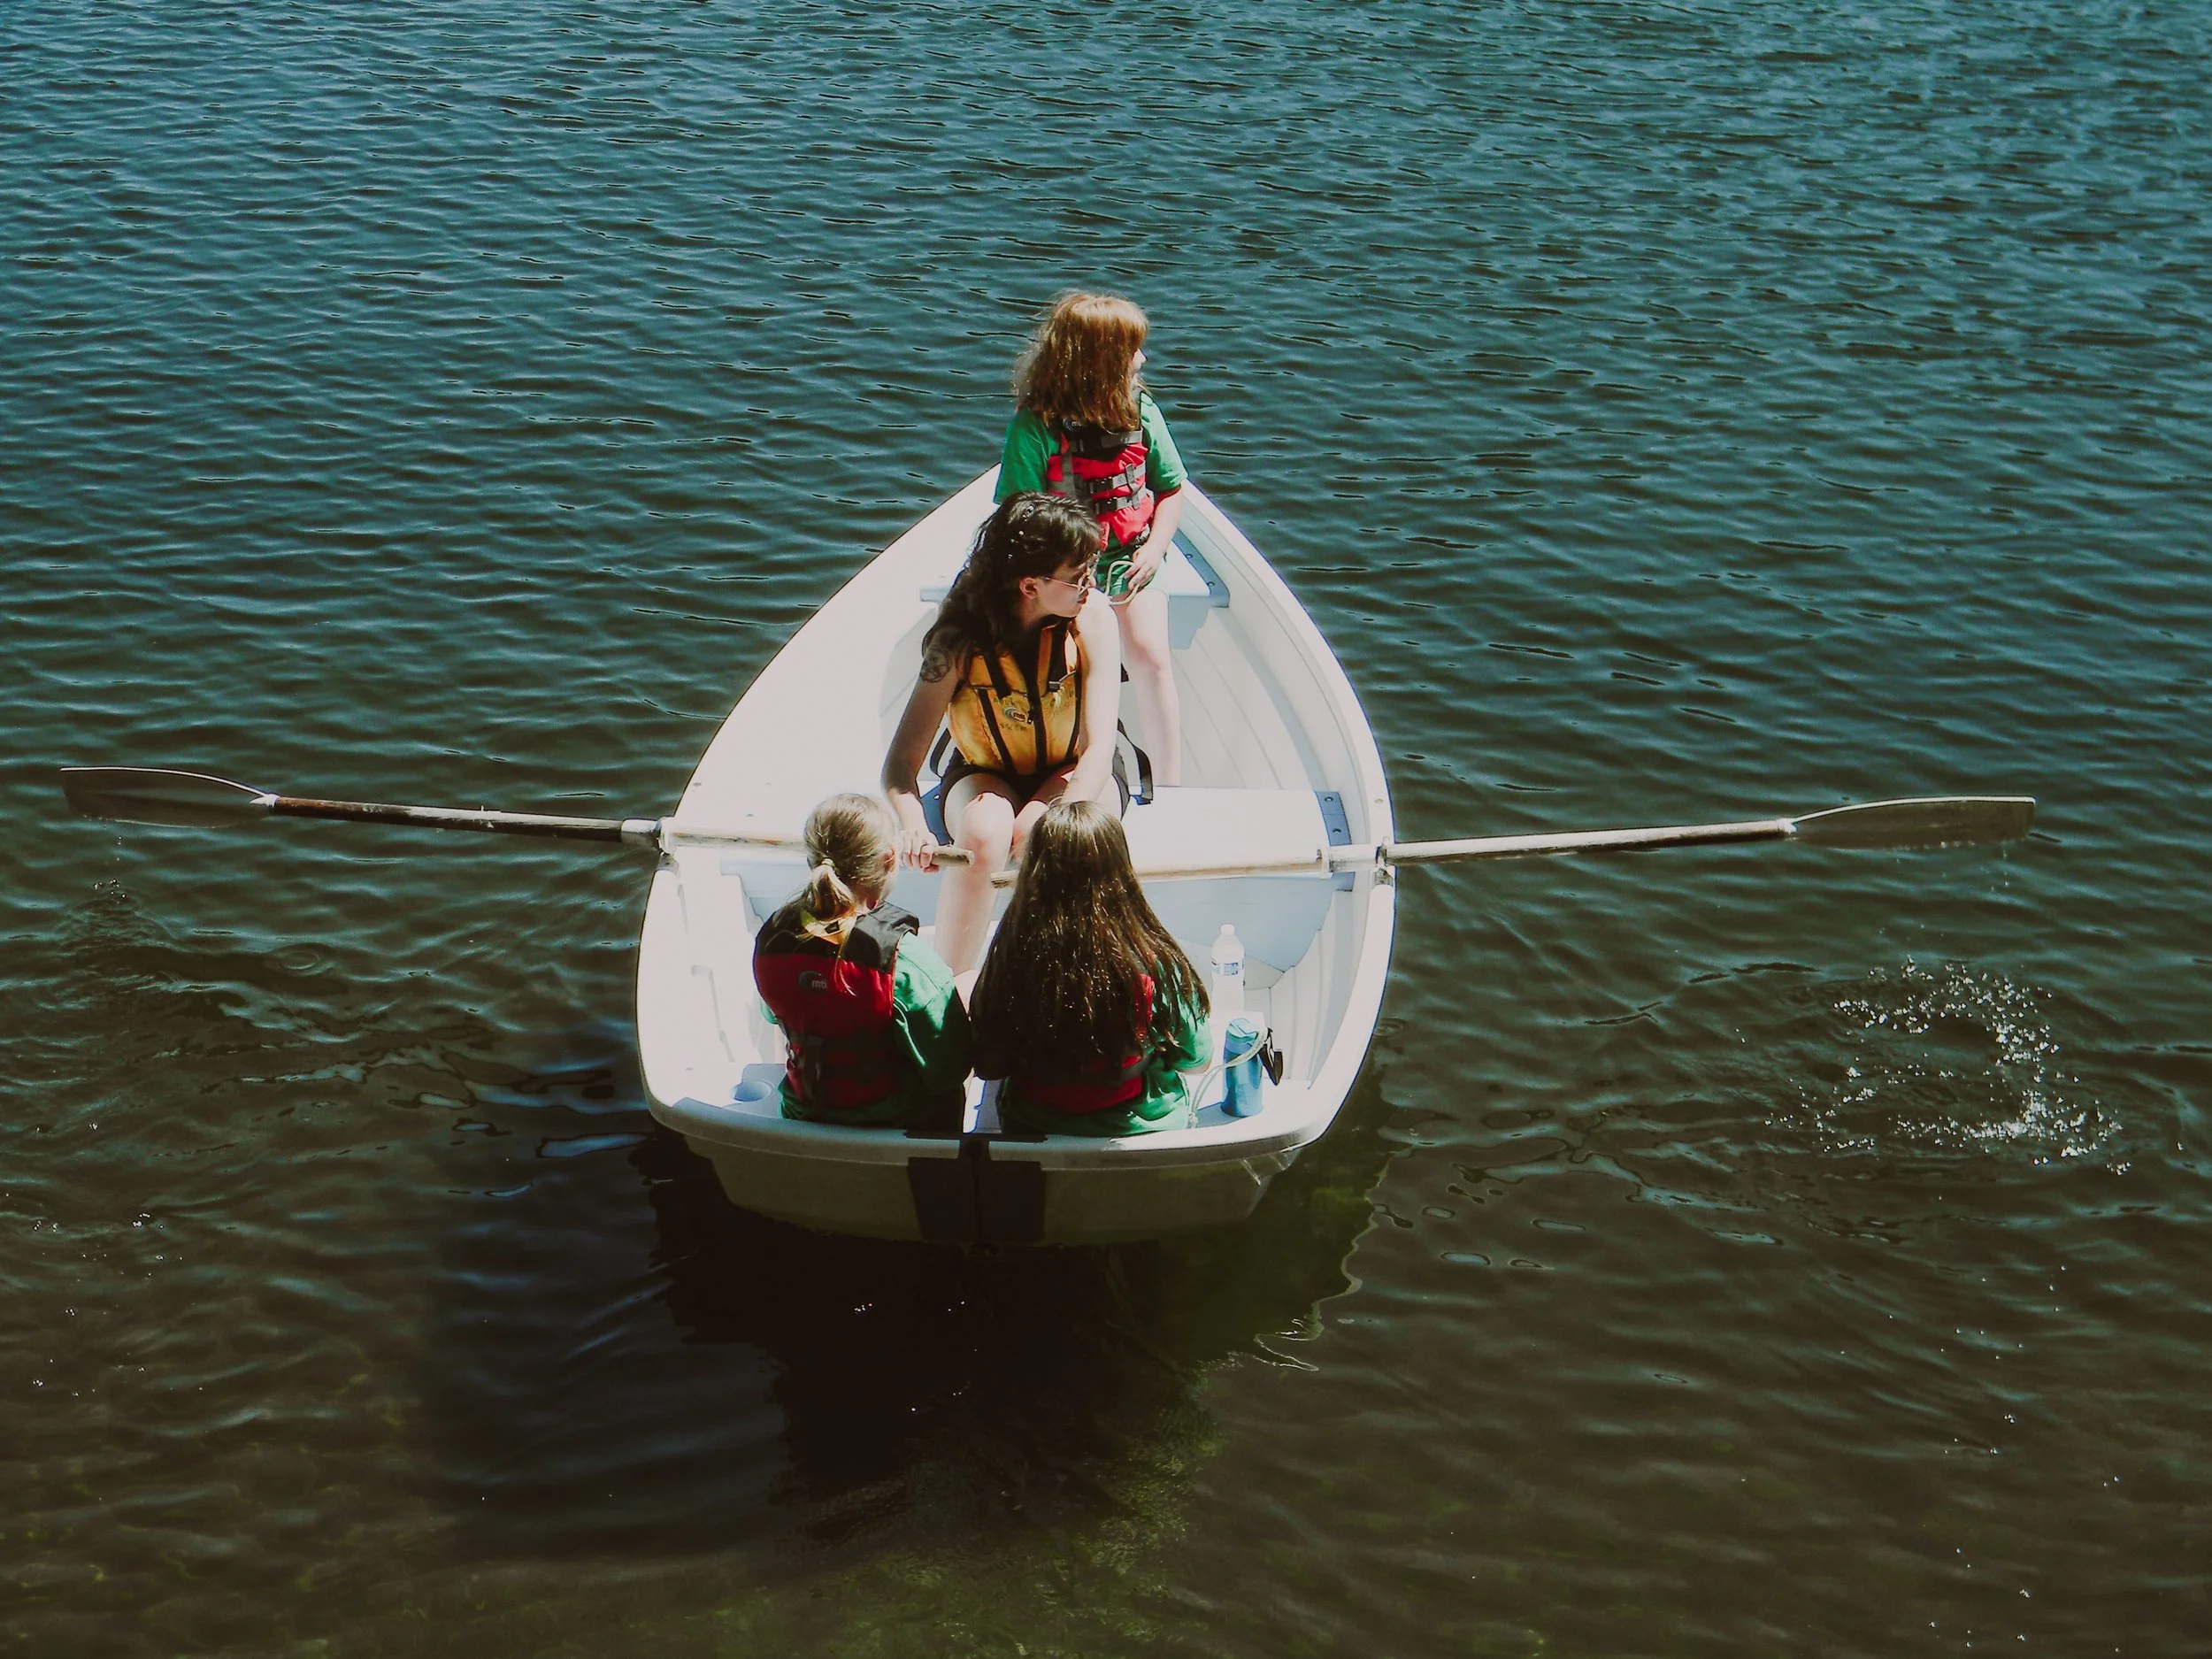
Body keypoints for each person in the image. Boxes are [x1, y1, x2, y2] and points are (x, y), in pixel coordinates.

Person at [882, 493, 1123, 979]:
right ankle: (950, 984)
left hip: (1076, 769)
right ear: (1030, 584)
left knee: (1045, 835)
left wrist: (1059, 816)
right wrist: (913, 826)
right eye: (1078, 576)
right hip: (985, 771)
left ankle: (1052, 979)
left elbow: (1100, 748)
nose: (1091, 584)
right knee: (983, 832)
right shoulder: (956, 643)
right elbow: (900, 764)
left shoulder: (1093, 617)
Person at [996, 291, 1189, 787]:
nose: (1142, 360)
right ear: (1096, 362)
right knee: (1063, 663)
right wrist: (1056, 580)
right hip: (1061, 569)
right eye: (1131, 351)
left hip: (1130, 558)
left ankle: (1170, 784)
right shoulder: (1034, 427)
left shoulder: (1142, 411)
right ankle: (1068, 763)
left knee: (1150, 655)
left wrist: (1154, 551)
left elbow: (1171, 490)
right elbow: (1017, 514)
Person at [968, 800, 1210, 1138]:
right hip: (1144, 1130)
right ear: (1122, 871)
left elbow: (988, 1065)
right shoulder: (1155, 961)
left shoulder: (1011, 960)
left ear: (1034, 872)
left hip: (1035, 1129)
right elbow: (1197, 1060)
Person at [752, 793, 972, 1129]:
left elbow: (771, 1013)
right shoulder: (906, 961)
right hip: (894, 1124)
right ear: (889, 860)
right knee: (967, 983)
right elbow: (948, 1070)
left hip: (804, 1115)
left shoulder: (772, 940)